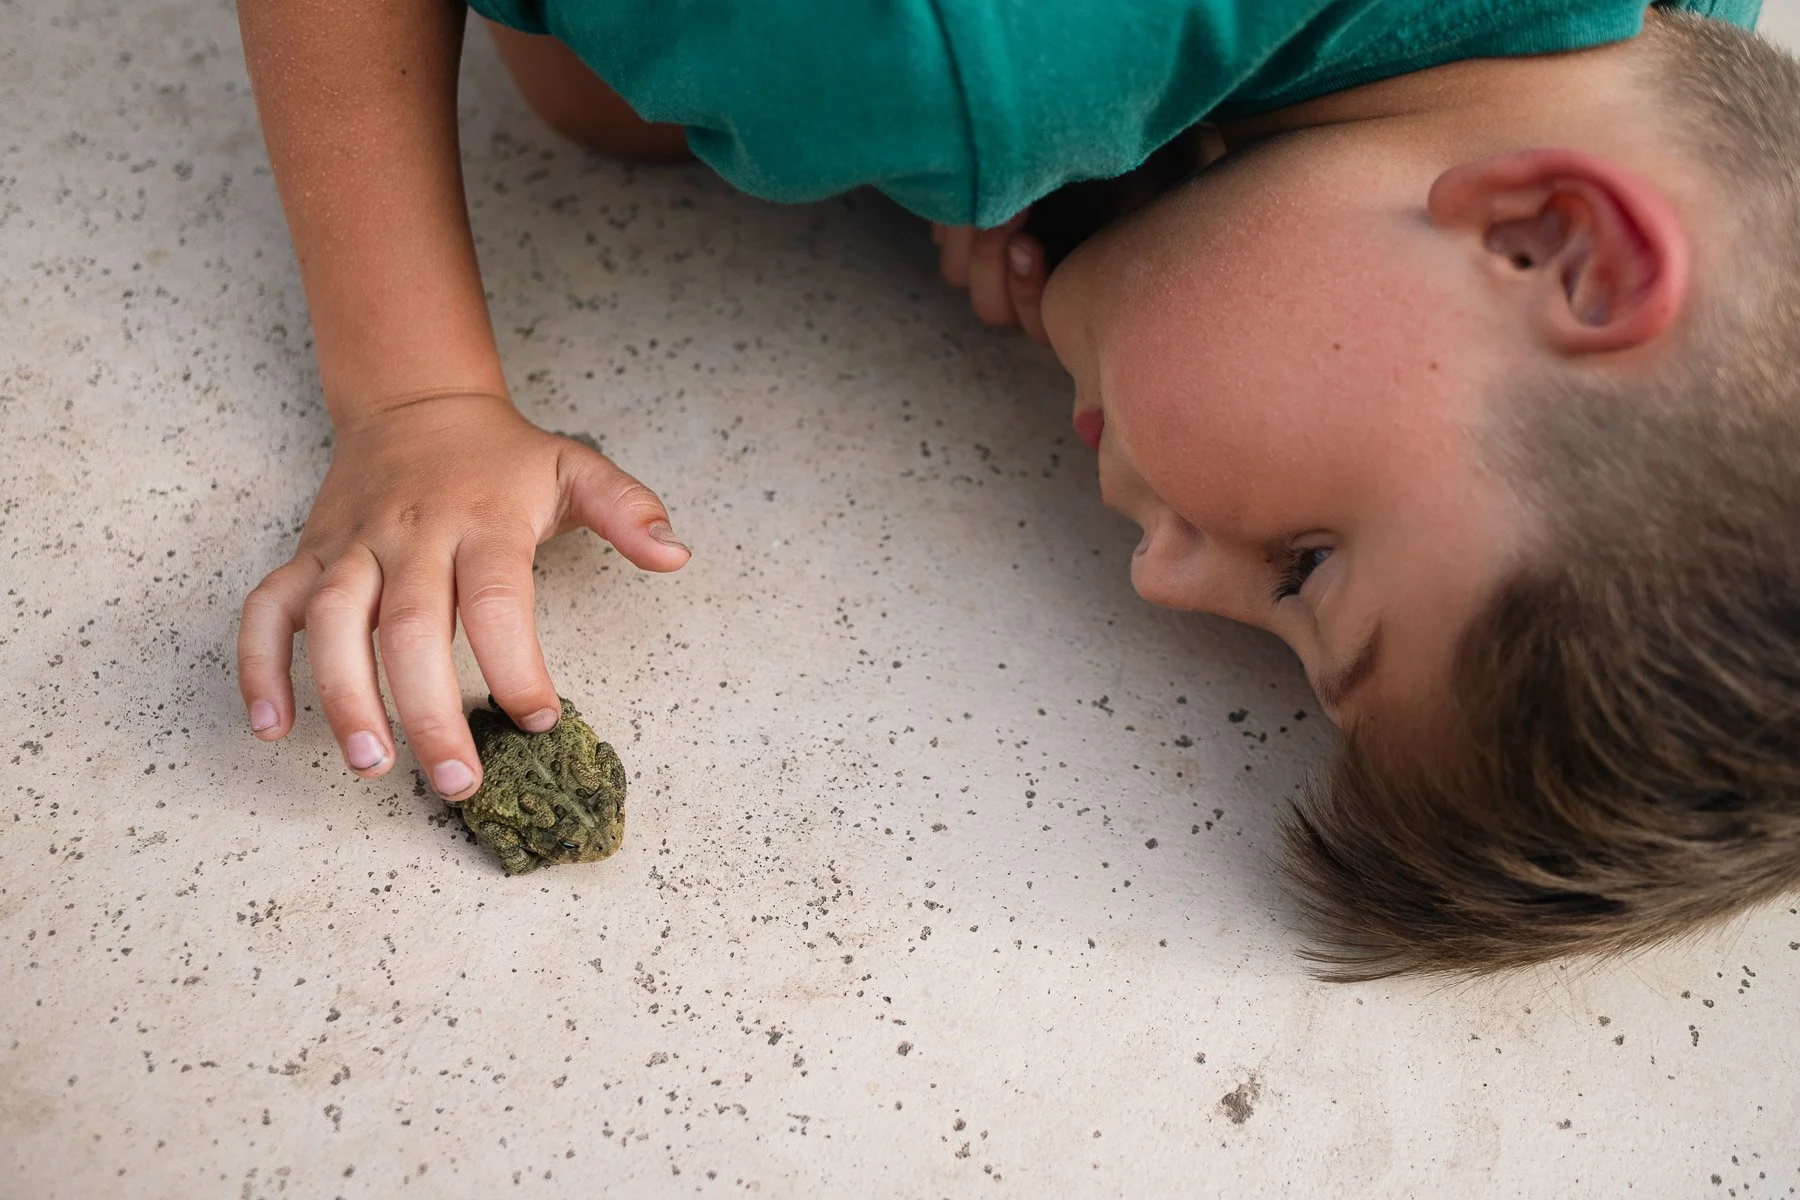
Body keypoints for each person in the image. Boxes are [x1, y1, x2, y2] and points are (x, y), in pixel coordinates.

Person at [232, 0, 1800, 976]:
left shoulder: (1664, 38)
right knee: (615, 105)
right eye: (1309, 569)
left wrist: (1138, 175)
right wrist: (416, 392)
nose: (1166, 578)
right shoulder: (930, 49)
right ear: (1549, 245)